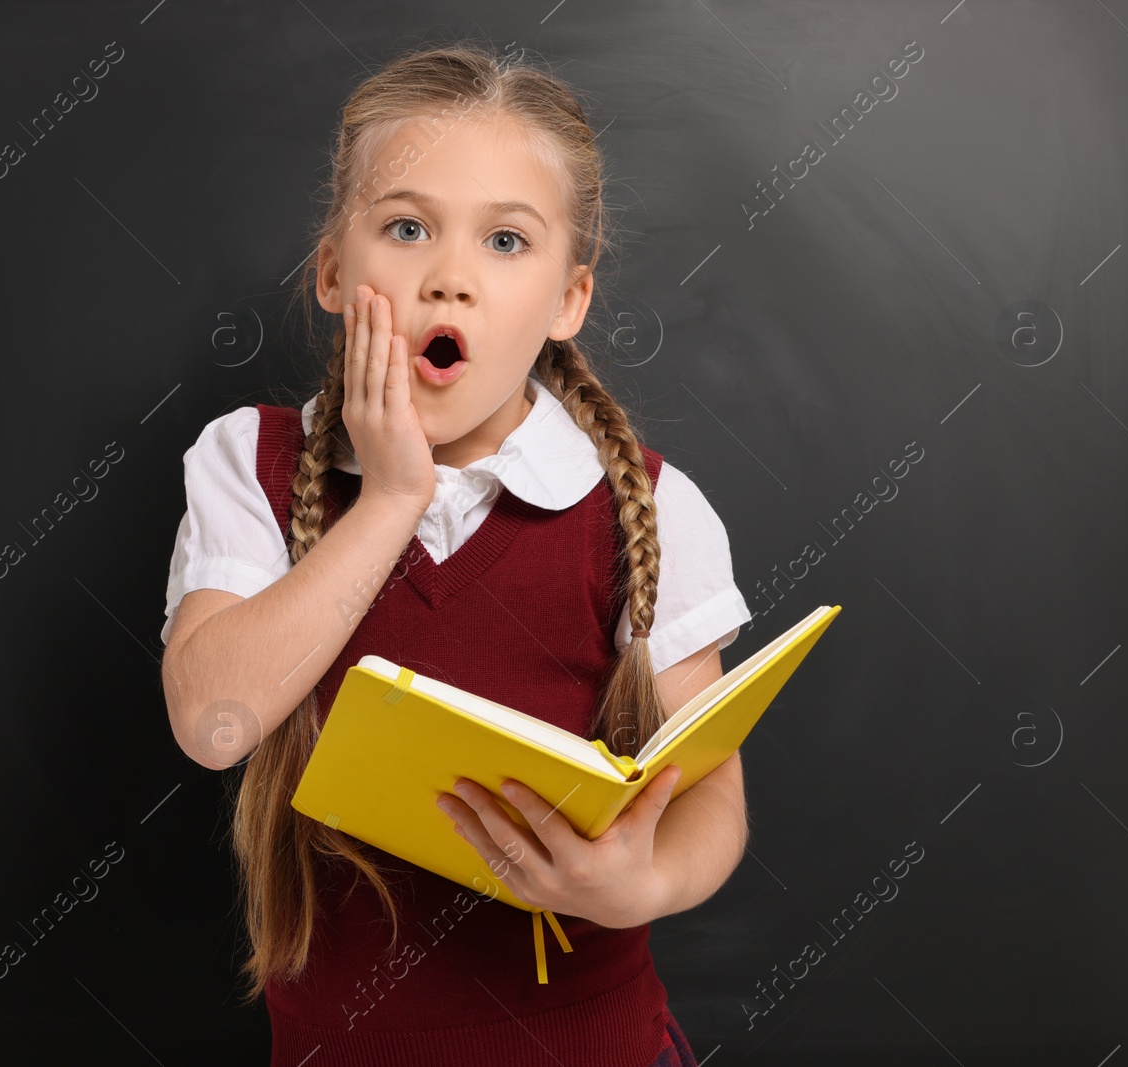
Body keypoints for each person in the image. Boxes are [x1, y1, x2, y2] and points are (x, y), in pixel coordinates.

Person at [159, 40, 753, 1067]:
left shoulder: (644, 505)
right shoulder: (246, 460)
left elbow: (711, 796)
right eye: (405, 227)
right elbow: (214, 724)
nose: (450, 279)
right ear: (337, 274)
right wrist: (391, 496)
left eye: (505, 242)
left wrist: (641, 883)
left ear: (568, 301)